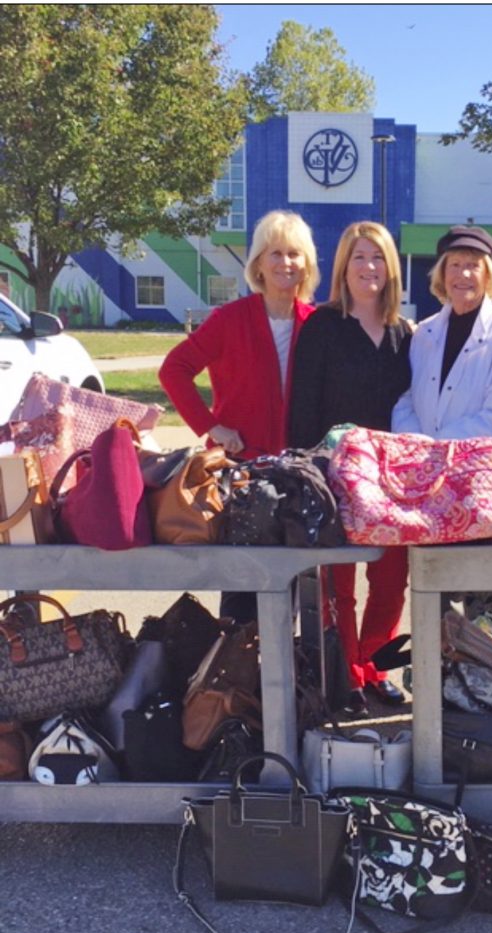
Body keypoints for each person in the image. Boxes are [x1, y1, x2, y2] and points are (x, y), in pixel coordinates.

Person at [159, 209, 319, 623]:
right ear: (259, 265)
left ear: (307, 264)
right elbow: (173, 370)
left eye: (295, 254)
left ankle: (284, 678)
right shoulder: (230, 320)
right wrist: (211, 426)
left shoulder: (318, 324)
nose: (286, 263)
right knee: (242, 588)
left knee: (294, 587)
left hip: (299, 475)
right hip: (242, 472)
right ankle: (235, 681)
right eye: (276, 253)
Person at [289, 222, 412, 715]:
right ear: (343, 267)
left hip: (394, 480)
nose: (368, 268)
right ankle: (342, 673)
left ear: (391, 268)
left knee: (391, 577)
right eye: (359, 258)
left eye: (378, 258)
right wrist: (306, 473)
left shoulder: (405, 334)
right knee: (339, 582)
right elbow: (303, 409)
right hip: (334, 475)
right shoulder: (323, 326)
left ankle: (373, 666)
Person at [392, 224, 492, 626]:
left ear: (488, 274)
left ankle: (491, 685)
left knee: (486, 607)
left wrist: (437, 448)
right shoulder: (424, 332)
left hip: (479, 485)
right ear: (441, 274)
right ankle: (438, 688)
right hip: (428, 485)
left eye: (473, 265)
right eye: (454, 265)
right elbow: (405, 397)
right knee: (435, 602)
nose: (463, 275)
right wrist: (414, 444)